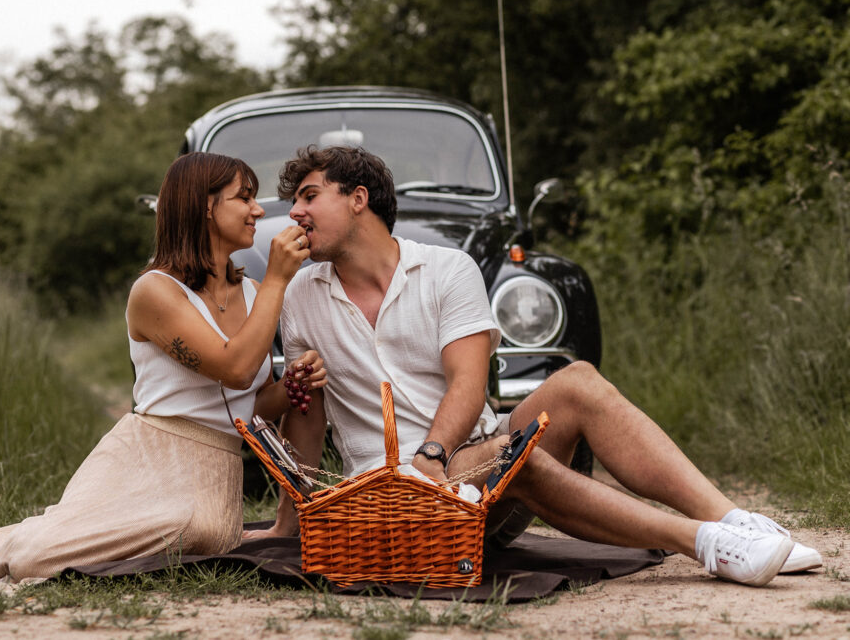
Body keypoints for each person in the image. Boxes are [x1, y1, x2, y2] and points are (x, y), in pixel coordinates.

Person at [246, 145, 821, 587]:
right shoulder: (299, 295)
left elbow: (470, 384)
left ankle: (732, 518)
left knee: (577, 382)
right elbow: (307, 420)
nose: (292, 211)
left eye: (308, 195)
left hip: (461, 462)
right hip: (389, 500)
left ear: (358, 197)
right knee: (511, 455)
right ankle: (706, 544)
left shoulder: (448, 269)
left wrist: (433, 456)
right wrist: (290, 521)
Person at [0, 152, 327, 583]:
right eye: (243, 198)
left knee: (181, 530)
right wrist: (278, 279)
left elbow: (255, 403)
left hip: (210, 473)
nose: (259, 211)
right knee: (37, 556)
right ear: (204, 207)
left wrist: (293, 385)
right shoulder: (155, 291)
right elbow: (235, 370)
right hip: (144, 453)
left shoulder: (250, 295)